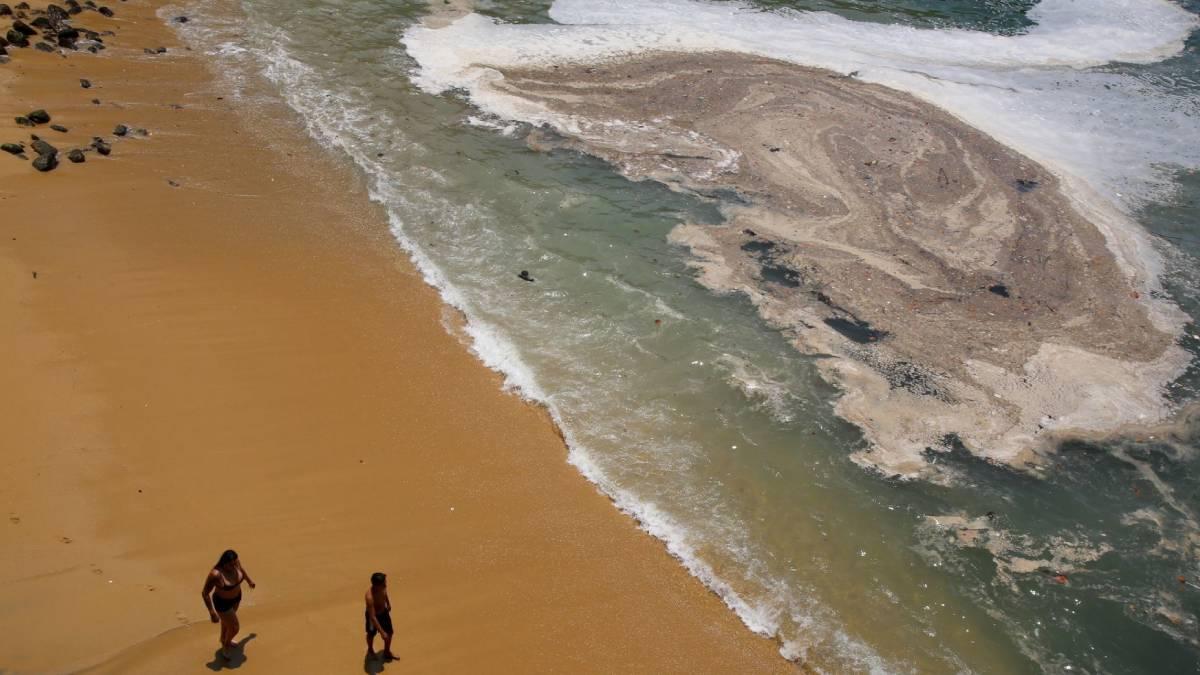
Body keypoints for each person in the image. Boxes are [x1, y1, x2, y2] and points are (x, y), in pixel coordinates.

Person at [202, 549, 256, 658]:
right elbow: (205, 593)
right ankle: (226, 644)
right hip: (222, 603)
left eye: (235, 563)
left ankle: (223, 638)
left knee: (227, 623)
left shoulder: (236, 563)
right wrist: (212, 612)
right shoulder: (216, 574)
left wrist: (249, 581)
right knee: (235, 627)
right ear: (223, 563)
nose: (233, 567)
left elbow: (242, 570)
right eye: (230, 565)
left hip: (236, 598)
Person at [365, 572, 396, 661]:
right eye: (384, 583)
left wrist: (388, 603)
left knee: (390, 633)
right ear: (376, 585)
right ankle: (370, 650)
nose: (386, 584)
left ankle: (387, 651)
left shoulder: (382, 587)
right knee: (371, 634)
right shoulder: (369, 597)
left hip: (384, 613)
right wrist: (382, 632)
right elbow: (373, 617)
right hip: (373, 617)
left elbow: (385, 594)